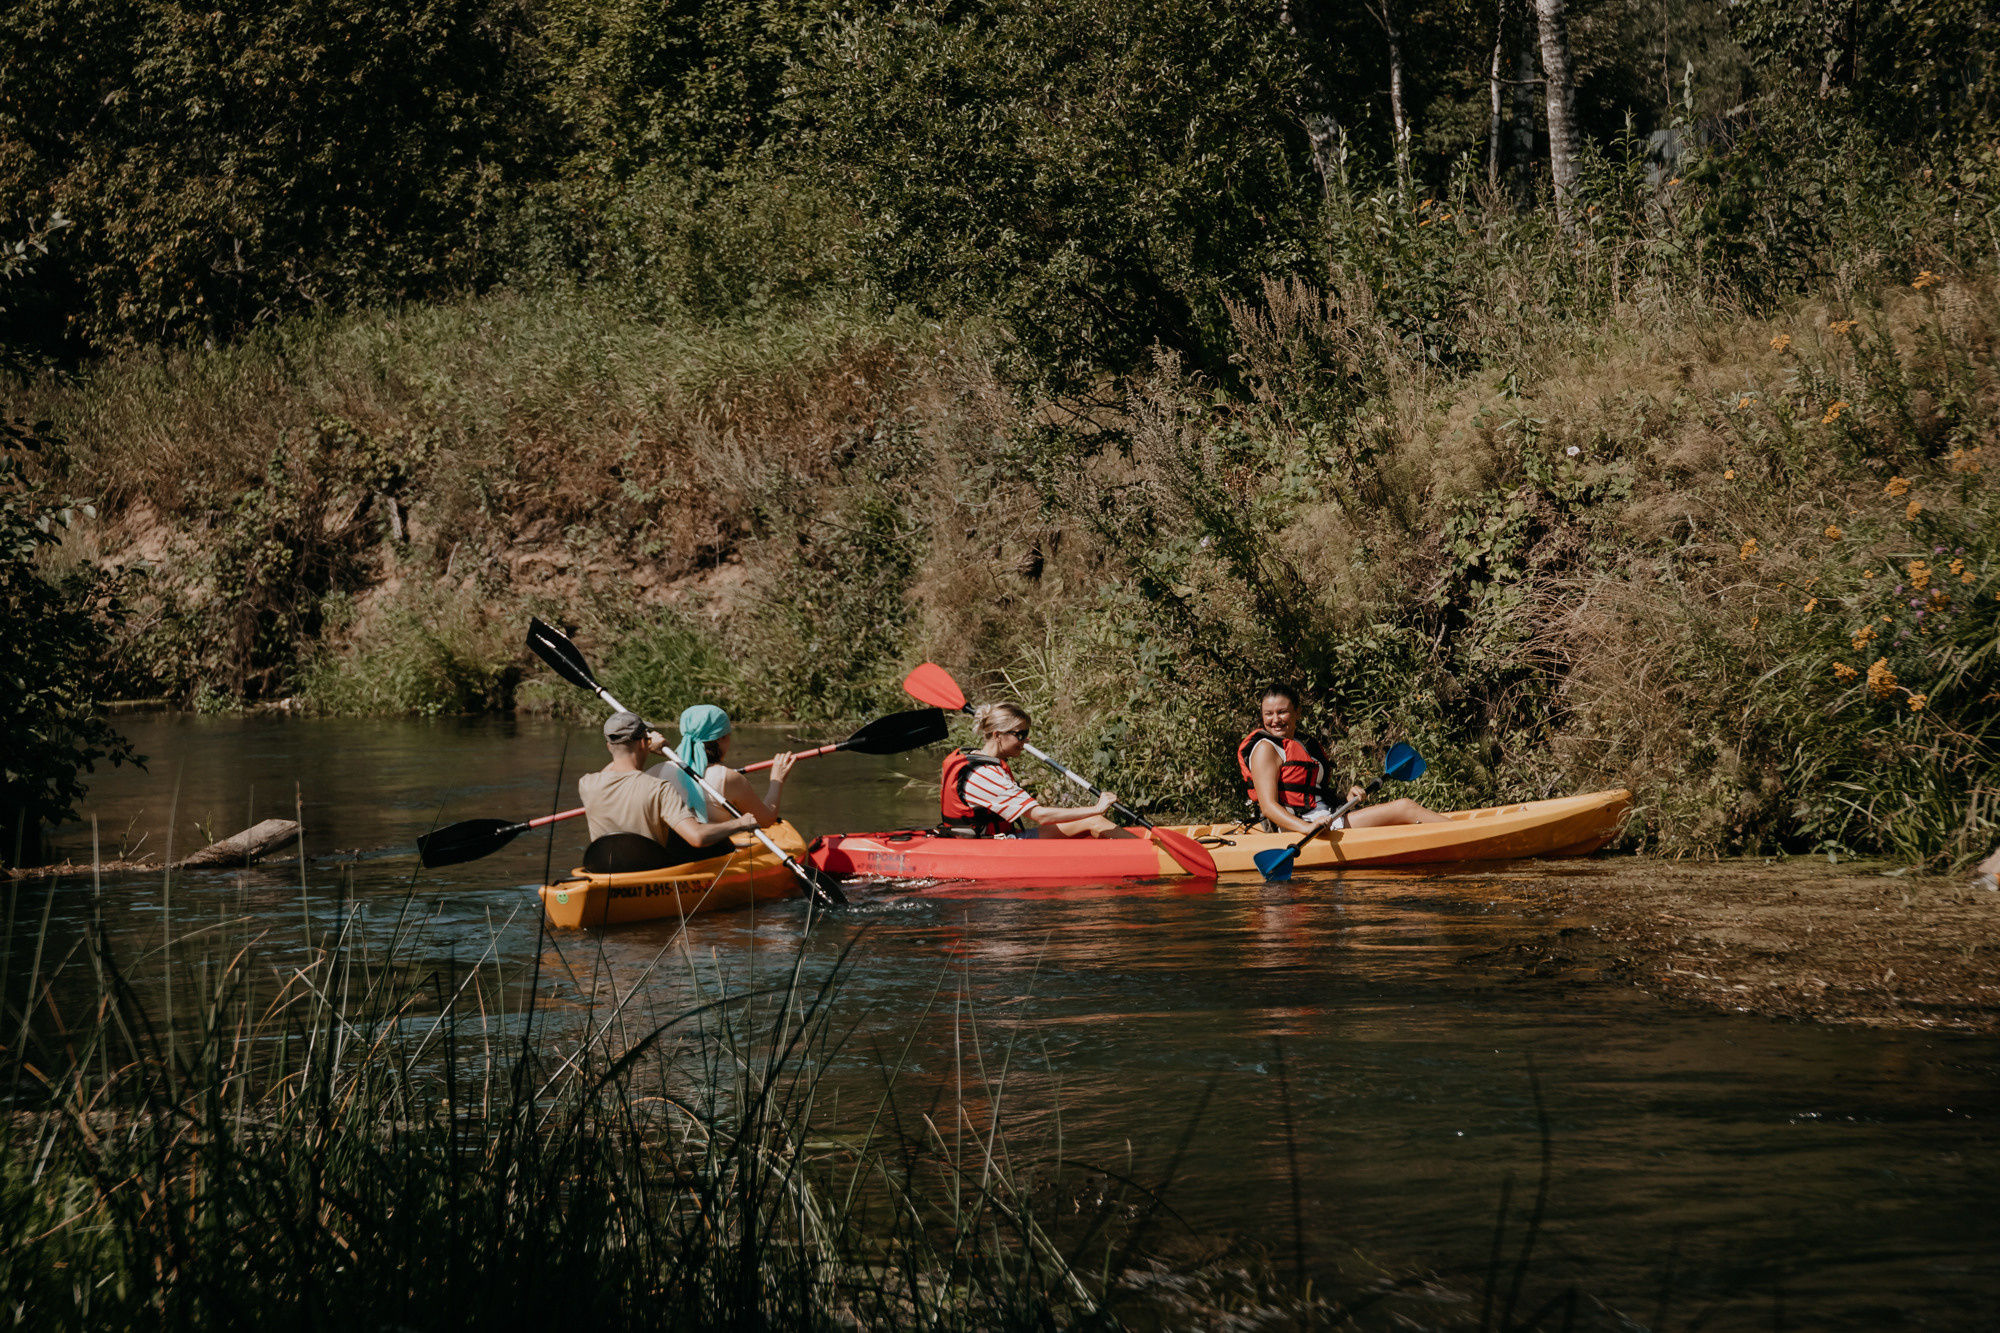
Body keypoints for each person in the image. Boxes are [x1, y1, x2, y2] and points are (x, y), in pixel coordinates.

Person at [577, 710, 796, 873]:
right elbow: (698, 838)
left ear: (608, 747)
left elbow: (617, 773)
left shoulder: (586, 784)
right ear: (644, 743)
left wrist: (647, 749)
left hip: (604, 871)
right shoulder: (659, 789)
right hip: (651, 872)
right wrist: (741, 823)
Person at [1238, 683, 1446, 834]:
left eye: (1282, 712)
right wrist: (1306, 828)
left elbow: (1315, 796)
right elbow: (1268, 807)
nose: (1275, 720)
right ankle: (1468, 833)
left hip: (1327, 817)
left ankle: (1457, 828)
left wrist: (1347, 798)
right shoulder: (1266, 749)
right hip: (1301, 827)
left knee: (1404, 812)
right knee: (1405, 807)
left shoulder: (1304, 745)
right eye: (1268, 714)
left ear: (1297, 712)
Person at [939, 702, 1122, 838]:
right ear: (997, 736)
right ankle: (1147, 856)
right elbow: (1040, 816)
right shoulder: (985, 774)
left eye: (1027, 733)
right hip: (993, 846)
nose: (1027, 740)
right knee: (1093, 821)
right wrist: (1096, 809)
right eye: (1021, 734)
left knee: (1089, 825)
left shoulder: (977, 760)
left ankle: (1142, 847)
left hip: (995, 838)